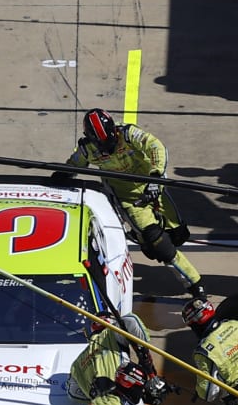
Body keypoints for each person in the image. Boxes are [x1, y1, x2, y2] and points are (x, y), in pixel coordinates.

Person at [65, 108, 206, 300]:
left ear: (114, 130)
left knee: (179, 236)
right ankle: (194, 284)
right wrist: (61, 176)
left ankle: (146, 241)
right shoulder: (85, 149)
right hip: (130, 201)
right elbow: (71, 166)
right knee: (160, 245)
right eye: (101, 144)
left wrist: (156, 177)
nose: (107, 146)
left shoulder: (129, 133)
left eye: (110, 140)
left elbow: (156, 147)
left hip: (154, 188)